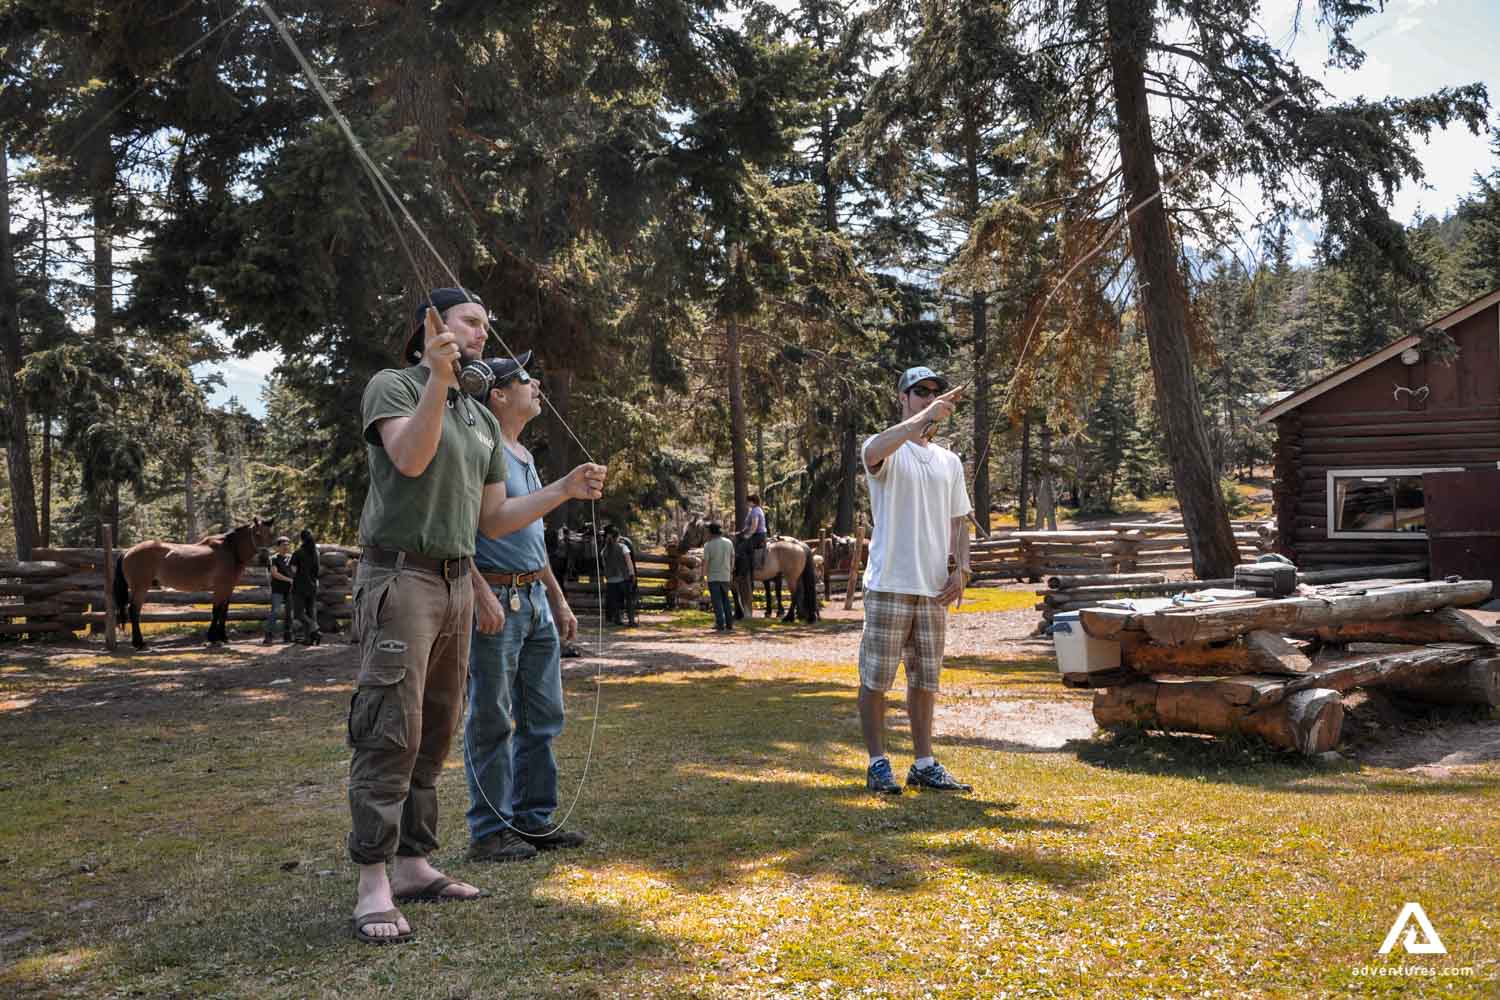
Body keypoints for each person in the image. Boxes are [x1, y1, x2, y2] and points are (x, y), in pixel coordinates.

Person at [347, 287, 605, 945]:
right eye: (470, 322)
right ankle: (373, 880)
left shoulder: (481, 419)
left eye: (486, 326)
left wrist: (561, 490)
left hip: (459, 579)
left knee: (437, 726)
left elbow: (494, 518)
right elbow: (409, 457)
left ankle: (413, 864)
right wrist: (436, 380)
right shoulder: (395, 386)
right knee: (391, 726)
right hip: (399, 575)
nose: (482, 335)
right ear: (429, 327)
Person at [465, 352, 607, 863]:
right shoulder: (481, 448)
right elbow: (480, 529)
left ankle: (533, 820)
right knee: (491, 719)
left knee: (543, 715)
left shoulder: (523, 455)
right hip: (497, 601)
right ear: (498, 395)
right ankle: (489, 831)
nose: (537, 383)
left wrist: (558, 598)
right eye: (526, 378)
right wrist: (479, 592)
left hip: (535, 601)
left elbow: (533, 539)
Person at [857, 365, 973, 796]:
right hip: (889, 582)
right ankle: (878, 763)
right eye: (919, 392)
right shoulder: (885, 448)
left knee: (925, 682)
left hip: (933, 589)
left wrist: (961, 568)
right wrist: (924, 420)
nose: (928, 397)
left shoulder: (949, 461)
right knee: (876, 679)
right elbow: (877, 450)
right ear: (902, 398)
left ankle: (923, 763)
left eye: (934, 393)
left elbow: (958, 520)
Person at [702, 521, 735, 633]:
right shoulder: (729, 543)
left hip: (713, 577)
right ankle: (729, 624)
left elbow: (705, 562)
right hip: (726, 576)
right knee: (726, 600)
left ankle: (720, 623)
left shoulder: (708, 545)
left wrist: (704, 576)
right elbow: (732, 558)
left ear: (711, 532)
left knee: (717, 602)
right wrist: (730, 571)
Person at [291, 528, 321, 646]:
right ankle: (308, 639)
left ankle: (315, 629)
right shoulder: (316, 553)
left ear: (301, 539)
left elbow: (293, 570)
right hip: (312, 586)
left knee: (298, 613)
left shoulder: (298, 552)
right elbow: (317, 570)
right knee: (309, 612)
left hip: (300, 587)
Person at [601, 526, 636, 626]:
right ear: (618, 537)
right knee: (629, 599)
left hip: (611, 580)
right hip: (623, 578)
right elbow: (629, 562)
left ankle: (617, 620)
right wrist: (632, 574)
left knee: (615, 601)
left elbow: (604, 565)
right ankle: (631, 621)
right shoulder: (623, 547)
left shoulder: (604, 550)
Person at [263, 536, 294, 644]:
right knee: (275, 612)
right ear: (278, 546)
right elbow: (274, 573)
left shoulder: (291, 558)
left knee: (289, 613)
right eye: (283, 545)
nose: (286, 547)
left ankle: (288, 635)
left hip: (290, 590)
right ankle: (268, 634)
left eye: (287, 545)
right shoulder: (274, 559)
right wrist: (289, 580)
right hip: (278, 589)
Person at [742, 494, 767, 570]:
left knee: (742, 548)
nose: (747, 503)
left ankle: (748, 570)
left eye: (748, 502)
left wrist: (748, 535)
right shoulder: (755, 510)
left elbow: (754, 526)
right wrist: (742, 531)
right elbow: (748, 525)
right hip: (757, 534)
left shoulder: (755, 511)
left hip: (758, 535)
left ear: (752, 502)